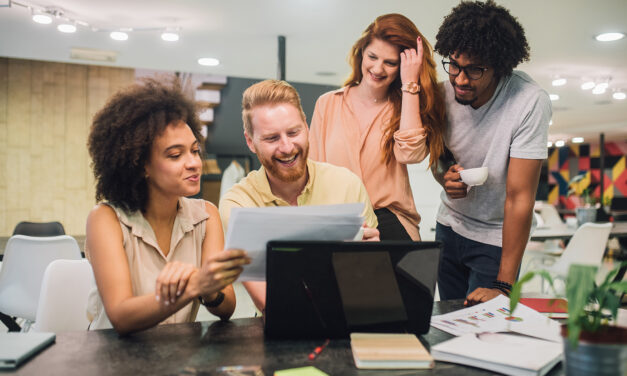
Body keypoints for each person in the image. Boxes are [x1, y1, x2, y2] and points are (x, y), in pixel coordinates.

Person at [85, 78, 250, 334]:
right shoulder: (106, 219)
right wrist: (193, 287)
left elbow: (227, 308)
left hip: (177, 357)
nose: (194, 163)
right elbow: (121, 316)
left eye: (195, 151)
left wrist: (211, 290)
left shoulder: (206, 215)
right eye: (175, 155)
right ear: (142, 165)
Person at [219, 79, 379, 312]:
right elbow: (270, 303)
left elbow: (369, 281)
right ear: (250, 142)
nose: (287, 147)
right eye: (272, 138)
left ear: (306, 126)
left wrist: (371, 258)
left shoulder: (346, 184)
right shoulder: (238, 205)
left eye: (294, 132)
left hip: (347, 320)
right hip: (279, 331)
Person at [432, 0, 551, 305]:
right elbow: (438, 156)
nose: (459, 79)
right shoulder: (443, 92)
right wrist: (445, 177)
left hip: (496, 239)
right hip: (449, 226)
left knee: (487, 333)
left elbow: (520, 197)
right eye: (454, 65)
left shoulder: (528, 101)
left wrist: (504, 284)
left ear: (500, 66)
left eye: (474, 70)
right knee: (448, 325)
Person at [309, 13, 446, 241]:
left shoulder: (405, 108)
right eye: (372, 56)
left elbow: (410, 154)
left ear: (402, 66)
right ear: (361, 52)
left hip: (390, 222)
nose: (378, 68)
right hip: (337, 223)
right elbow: (312, 171)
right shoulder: (328, 103)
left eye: (390, 62)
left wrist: (411, 84)